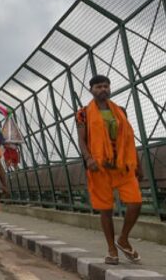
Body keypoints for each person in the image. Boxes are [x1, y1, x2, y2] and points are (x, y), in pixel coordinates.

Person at [77, 75, 143, 265]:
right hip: (99, 168)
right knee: (106, 210)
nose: (103, 89)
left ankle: (123, 239)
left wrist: (138, 164)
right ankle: (112, 249)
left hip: (123, 166)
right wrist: (88, 158)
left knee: (136, 202)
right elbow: (82, 139)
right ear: (91, 90)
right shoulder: (83, 113)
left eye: (106, 86)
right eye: (98, 86)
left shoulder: (120, 111)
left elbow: (129, 138)